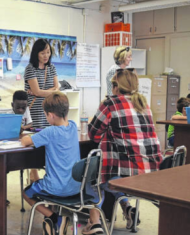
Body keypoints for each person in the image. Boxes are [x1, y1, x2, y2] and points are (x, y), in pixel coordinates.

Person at [86, 69, 162, 234]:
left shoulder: (110, 103)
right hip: (151, 175)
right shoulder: (143, 104)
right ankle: (127, 207)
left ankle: (95, 221)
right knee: (117, 168)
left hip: (126, 177)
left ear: (115, 87)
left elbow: (93, 134)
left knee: (93, 176)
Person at [20, 92, 81, 234]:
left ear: (51, 115)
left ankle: (54, 217)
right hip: (76, 187)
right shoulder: (72, 126)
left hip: (55, 188)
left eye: (46, 115)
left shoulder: (50, 132)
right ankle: (54, 220)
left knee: (26, 193)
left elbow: (25, 142)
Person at [24, 39, 60, 129]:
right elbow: (37, 92)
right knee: (35, 136)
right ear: (36, 53)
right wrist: (52, 91)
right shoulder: (30, 68)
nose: (46, 56)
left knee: (50, 135)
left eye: (48, 52)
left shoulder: (52, 67)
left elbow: (57, 88)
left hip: (50, 109)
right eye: (42, 53)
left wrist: (41, 92)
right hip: (35, 111)